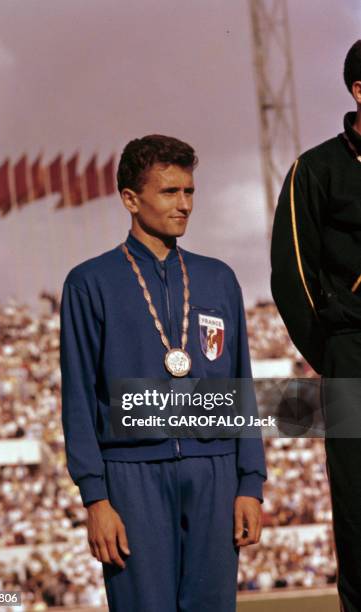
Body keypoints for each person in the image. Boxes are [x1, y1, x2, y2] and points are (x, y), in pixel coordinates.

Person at [60, 134, 267, 612]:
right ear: (131, 199)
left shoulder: (218, 277)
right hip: (132, 477)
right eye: (170, 192)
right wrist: (96, 499)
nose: (185, 205)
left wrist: (250, 483)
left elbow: (242, 388)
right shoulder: (90, 282)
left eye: (190, 191)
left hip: (214, 472)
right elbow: (79, 398)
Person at [271, 40, 361, 612]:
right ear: (359, 91)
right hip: (350, 351)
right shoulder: (317, 168)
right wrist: (334, 355)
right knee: (358, 510)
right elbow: (292, 277)